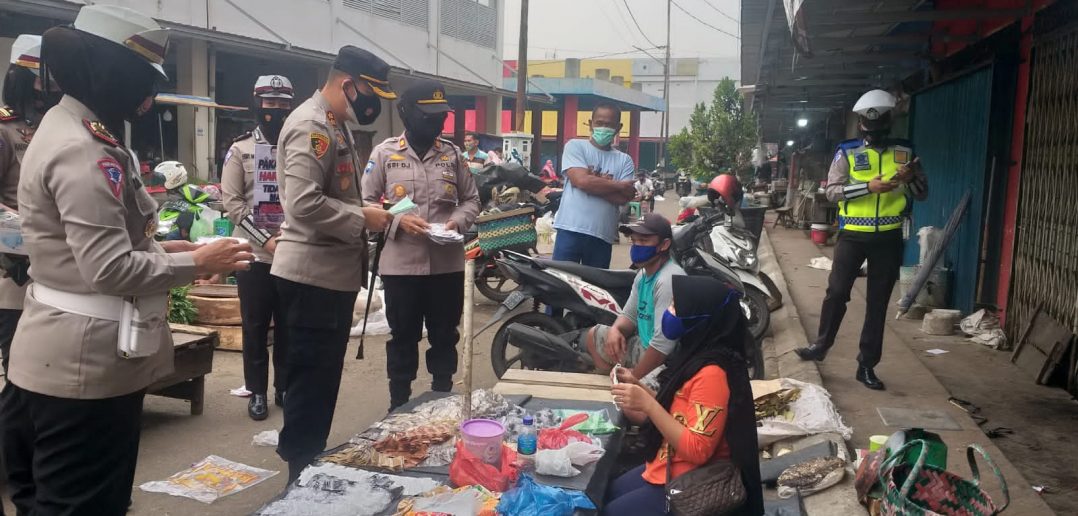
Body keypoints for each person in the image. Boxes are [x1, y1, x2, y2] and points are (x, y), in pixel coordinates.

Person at [0, 6, 253, 514]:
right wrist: (197, 260)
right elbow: (108, 270)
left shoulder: (76, 129)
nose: (148, 95)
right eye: (140, 80)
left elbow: (97, 245)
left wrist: (171, 250)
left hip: (62, 353)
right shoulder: (83, 149)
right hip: (85, 367)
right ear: (107, 74)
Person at [271, 45, 395, 482]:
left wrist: (367, 209)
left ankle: (307, 469)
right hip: (312, 279)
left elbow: (333, 195)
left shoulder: (333, 124)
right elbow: (302, 204)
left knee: (320, 383)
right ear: (348, 84)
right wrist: (363, 217)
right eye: (370, 92)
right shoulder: (312, 125)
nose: (373, 103)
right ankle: (299, 483)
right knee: (309, 383)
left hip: (328, 279)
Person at [795, 89, 928, 390]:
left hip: (889, 237)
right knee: (837, 292)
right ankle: (821, 345)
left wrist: (912, 179)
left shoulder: (905, 153)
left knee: (878, 304)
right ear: (861, 125)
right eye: (869, 130)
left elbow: (922, 193)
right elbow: (831, 191)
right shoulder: (847, 151)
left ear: (888, 123)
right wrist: (868, 187)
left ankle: (866, 365)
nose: (873, 135)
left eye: (879, 129)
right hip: (853, 235)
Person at [363, 79, 480, 411]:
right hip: (402, 266)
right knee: (403, 337)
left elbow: (471, 200)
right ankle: (398, 402)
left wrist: (458, 220)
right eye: (427, 115)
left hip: (446, 265)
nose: (435, 122)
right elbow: (365, 203)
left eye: (440, 116)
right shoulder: (384, 153)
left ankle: (441, 397)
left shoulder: (453, 155)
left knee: (445, 335)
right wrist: (398, 221)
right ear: (406, 113)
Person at [605, 276, 764, 515]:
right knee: (605, 493)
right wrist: (640, 387)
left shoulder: (713, 374)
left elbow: (698, 450)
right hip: (669, 462)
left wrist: (648, 404)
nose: (670, 312)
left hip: (692, 480)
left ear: (701, 319)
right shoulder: (696, 354)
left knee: (611, 511)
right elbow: (681, 410)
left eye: (677, 307)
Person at [221, 74, 295, 420]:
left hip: (294, 254)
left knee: (288, 327)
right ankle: (258, 392)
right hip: (254, 255)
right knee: (254, 327)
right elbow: (233, 204)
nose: (276, 110)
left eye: (283, 103)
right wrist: (265, 238)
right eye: (270, 103)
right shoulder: (240, 150)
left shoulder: (299, 147)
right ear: (257, 103)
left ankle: (283, 388)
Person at [0, 34, 59, 375]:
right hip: (15, 273)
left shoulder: (54, 127)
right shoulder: (5, 131)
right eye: (40, 80)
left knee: (50, 372)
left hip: (57, 272)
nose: (46, 89)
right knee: (20, 371)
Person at [585, 213, 684, 380]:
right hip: (644, 345)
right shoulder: (643, 275)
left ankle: (628, 387)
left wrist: (635, 377)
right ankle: (614, 385)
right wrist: (616, 330)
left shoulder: (668, 280)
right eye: (634, 241)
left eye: (644, 241)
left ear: (664, 244)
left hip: (665, 361)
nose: (637, 246)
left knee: (638, 389)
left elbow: (663, 345)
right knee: (594, 335)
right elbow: (629, 316)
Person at [552, 102, 636, 268]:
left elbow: (622, 198)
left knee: (595, 290)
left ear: (618, 127)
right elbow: (581, 181)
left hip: (602, 236)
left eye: (609, 124)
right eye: (599, 123)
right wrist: (617, 184)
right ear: (590, 124)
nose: (603, 128)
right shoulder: (575, 146)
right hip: (570, 230)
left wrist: (591, 182)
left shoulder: (624, 160)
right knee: (562, 286)